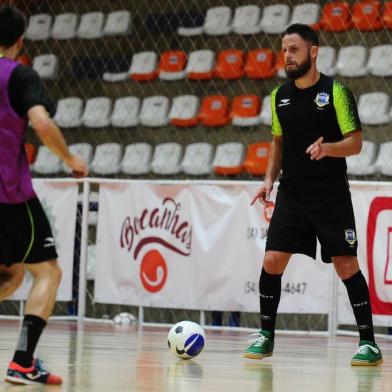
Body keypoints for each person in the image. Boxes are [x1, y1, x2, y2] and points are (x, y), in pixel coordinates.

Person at [244, 23, 382, 366]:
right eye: (284, 50)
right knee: (272, 260)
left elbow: (356, 142)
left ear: (313, 52)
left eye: (294, 49)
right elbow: (277, 143)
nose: (287, 56)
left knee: (345, 264)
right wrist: (268, 180)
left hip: (330, 193)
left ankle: (369, 343)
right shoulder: (279, 97)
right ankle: (266, 335)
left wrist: (329, 149)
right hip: (292, 192)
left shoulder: (337, 92)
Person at [0, 6, 88, 385]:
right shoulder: (20, 76)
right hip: (9, 193)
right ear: (21, 40)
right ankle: (22, 360)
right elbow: (39, 121)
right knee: (47, 270)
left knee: (11, 274)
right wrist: (70, 158)